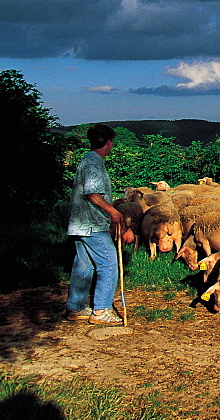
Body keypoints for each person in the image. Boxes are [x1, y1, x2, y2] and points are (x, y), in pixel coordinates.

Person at [65, 123, 125, 325]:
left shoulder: (89, 160)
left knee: (84, 265)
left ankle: (76, 307)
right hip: (92, 224)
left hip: (81, 222)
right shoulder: (92, 162)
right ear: (107, 142)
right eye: (112, 142)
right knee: (108, 264)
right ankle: (101, 310)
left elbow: (93, 194)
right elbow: (91, 193)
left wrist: (112, 203)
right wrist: (113, 211)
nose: (112, 146)